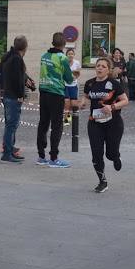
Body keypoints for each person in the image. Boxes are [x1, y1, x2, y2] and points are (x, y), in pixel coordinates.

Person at [80, 56, 129, 193]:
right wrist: (83, 102)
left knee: (110, 154)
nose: (100, 68)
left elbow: (125, 101)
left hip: (113, 123)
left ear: (108, 70)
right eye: (98, 65)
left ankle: (115, 156)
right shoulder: (90, 83)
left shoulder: (113, 83)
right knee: (96, 153)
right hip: (95, 123)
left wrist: (112, 107)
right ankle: (102, 181)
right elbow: (86, 95)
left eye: (103, 66)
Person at [37, 32, 74, 168]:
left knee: (43, 124)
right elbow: (69, 78)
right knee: (57, 125)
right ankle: (54, 158)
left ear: (52, 43)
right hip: (56, 93)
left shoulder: (44, 56)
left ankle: (41, 156)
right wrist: (73, 76)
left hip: (43, 92)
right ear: (64, 45)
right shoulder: (62, 58)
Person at [0, 36, 28, 162]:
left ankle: (10, 148)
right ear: (25, 47)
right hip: (13, 96)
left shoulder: (8, 56)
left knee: (9, 124)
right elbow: (17, 79)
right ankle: (7, 153)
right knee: (11, 125)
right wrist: (20, 95)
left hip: (6, 94)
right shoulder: (17, 59)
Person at [64, 48, 81, 125]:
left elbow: (78, 73)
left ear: (74, 55)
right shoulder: (64, 62)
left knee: (73, 104)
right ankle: (66, 121)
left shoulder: (77, 63)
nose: (70, 55)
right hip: (65, 85)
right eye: (69, 54)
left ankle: (73, 119)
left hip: (73, 85)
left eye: (72, 54)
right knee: (66, 102)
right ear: (66, 55)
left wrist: (74, 77)